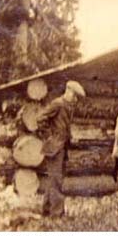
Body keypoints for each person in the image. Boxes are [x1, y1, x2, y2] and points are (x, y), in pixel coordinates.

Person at [37, 80, 86, 217]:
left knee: (54, 179)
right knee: (56, 179)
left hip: (61, 147)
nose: (75, 99)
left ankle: (46, 210)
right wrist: (49, 136)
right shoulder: (57, 103)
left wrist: (69, 136)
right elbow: (40, 118)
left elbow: (63, 126)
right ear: (68, 91)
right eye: (74, 95)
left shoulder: (67, 106)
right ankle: (57, 213)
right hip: (54, 148)